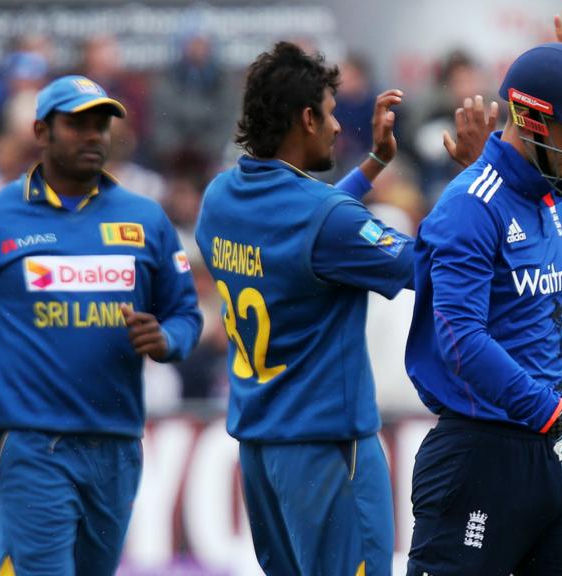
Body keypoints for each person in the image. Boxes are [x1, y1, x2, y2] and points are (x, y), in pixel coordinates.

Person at [0, 75, 202, 576]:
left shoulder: (145, 220)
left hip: (117, 444)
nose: (94, 135)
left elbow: (186, 314)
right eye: (77, 124)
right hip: (31, 442)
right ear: (41, 131)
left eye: (102, 125)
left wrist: (167, 338)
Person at [403, 11, 562, 575]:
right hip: (479, 455)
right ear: (532, 121)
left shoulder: (552, 195)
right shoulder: (468, 205)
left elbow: (539, 330)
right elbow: (462, 342)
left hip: (555, 444)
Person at [194, 41, 411, 575]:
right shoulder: (325, 217)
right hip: (327, 447)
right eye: (333, 114)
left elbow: (311, 226)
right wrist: (477, 177)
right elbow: (424, 268)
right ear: (307, 118)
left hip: (262, 450)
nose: (340, 127)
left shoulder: (219, 197)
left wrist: (374, 164)